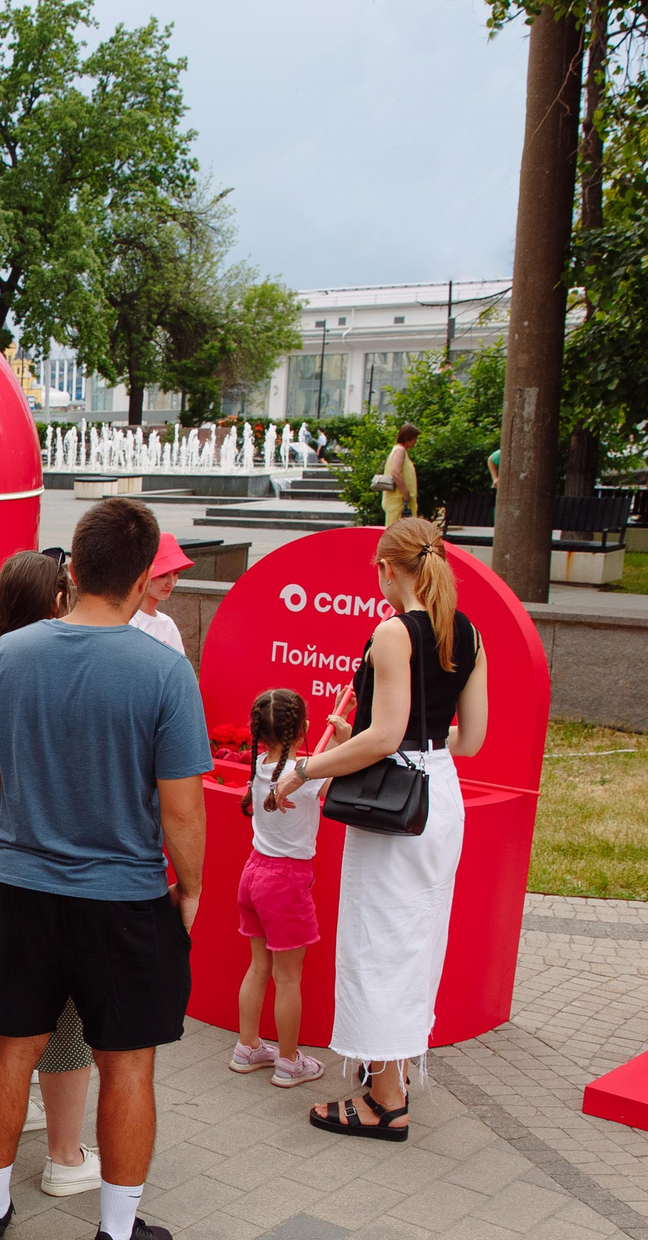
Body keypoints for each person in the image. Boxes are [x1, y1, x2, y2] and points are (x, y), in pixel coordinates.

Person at [0, 497, 210, 1240]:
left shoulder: (9, 655)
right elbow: (182, 807)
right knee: (127, 1064)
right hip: (126, 897)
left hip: (24, 888)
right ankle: (116, 1236)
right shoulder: (164, 670)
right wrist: (191, 888)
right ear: (142, 578)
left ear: (71, 566)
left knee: (8, 1052)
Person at [272, 516, 486, 1138]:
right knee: (417, 941)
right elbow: (470, 739)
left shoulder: (393, 632)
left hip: (395, 806)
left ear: (388, 569)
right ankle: (391, 1075)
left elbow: (385, 737)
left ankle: (385, 1100)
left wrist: (303, 770)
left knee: (380, 943)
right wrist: (397, 740)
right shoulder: (468, 631)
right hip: (439, 795)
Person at [0, 551, 99, 1197]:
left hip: (1, 859)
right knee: (66, 1021)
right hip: (68, 869)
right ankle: (65, 1154)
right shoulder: (76, 661)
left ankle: (9, 1136)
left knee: (1, 1016)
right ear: (56, 598)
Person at [234, 688, 327, 1088]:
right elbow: (331, 775)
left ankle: (247, 1047)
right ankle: (289, 1062)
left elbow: (314, 765)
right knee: (288, 978)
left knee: (259, 966)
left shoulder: (259, 766)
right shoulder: (305, 773)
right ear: (303, 727)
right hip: (286, 882)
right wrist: (342, 738)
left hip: (253, 873)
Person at [131, 535, 192, 652]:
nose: (171, 583)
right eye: (163, 575)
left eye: (176, 573)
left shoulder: (168, 624)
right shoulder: (130, 623)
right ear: (144, 574)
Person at [381, 424, 420, 522]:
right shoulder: (400, 450)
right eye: (415, 438)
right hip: (399, 501)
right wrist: (405, 492)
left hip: (399, 501)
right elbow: (395, 473)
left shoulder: (399, 450)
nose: (415, 441)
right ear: (408, 437)